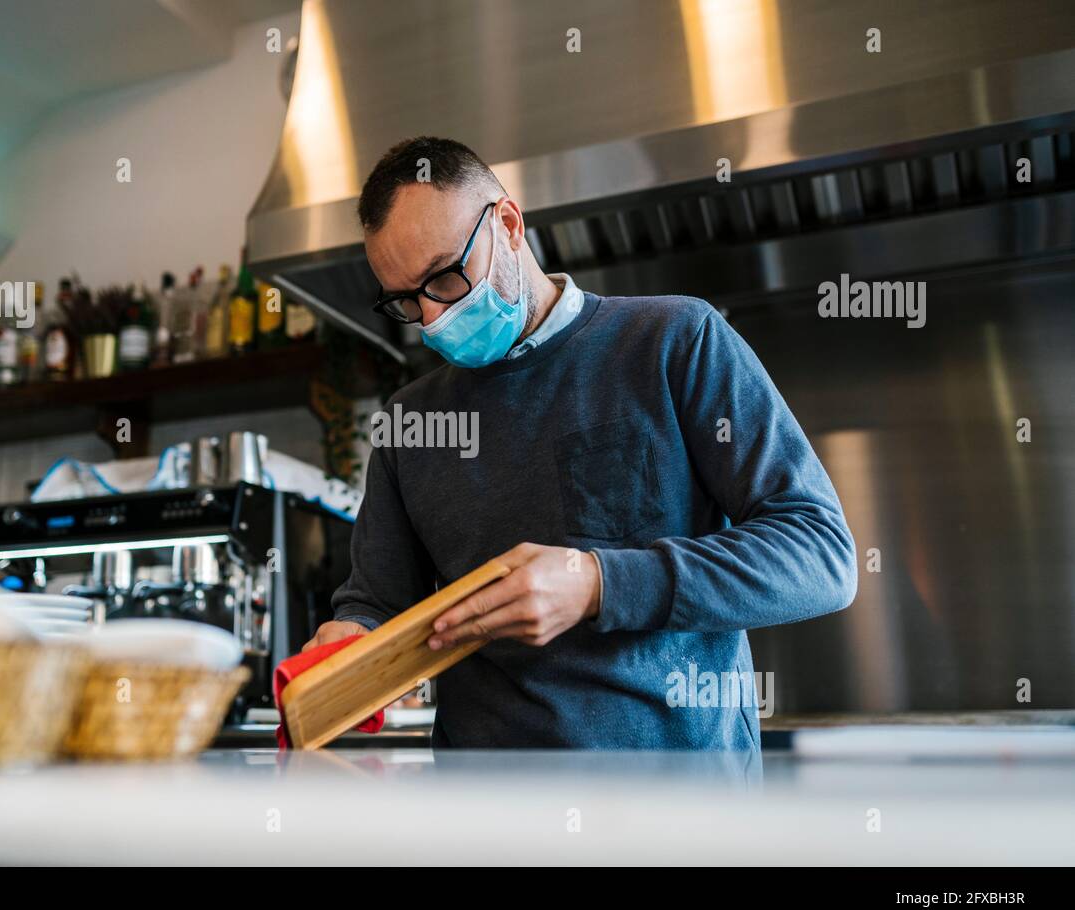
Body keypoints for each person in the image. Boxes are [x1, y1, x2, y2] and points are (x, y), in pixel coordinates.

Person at [309, 136, 856, 749]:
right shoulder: (410, 421)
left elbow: (821, 556)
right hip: (491, 825)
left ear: (509, 224)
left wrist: (598, 583)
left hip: (683, 819)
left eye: (444, 278)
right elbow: (376, 602)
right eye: (406, 302)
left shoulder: (674, 340)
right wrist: (352, 638)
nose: (432, 319)